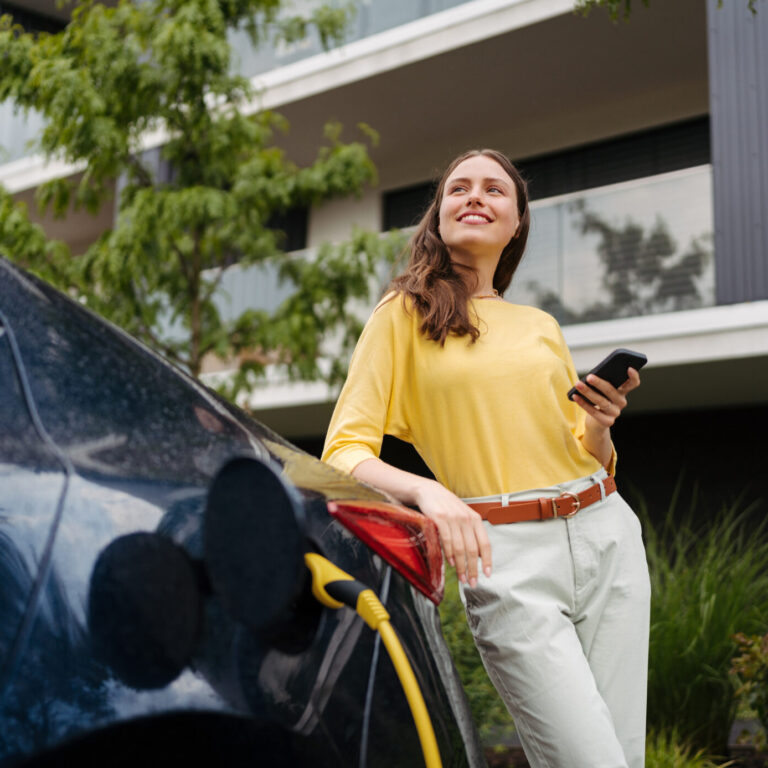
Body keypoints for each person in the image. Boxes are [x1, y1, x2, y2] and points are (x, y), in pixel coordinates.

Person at [321, 148, 650, 768]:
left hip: (607, 536)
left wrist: (601, 426)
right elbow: (343, 452)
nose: (475, 196)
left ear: (517, 221)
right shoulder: (402, 316)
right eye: (459, 188)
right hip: (509, 558)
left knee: (623, 758)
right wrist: (430, 492)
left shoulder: (540, 324)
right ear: (440, 216)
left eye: (494, 189)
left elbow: (578, 450)